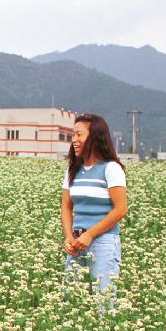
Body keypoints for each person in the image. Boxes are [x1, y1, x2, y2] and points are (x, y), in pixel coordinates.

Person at [61, 113, 127, 310]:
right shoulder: (73, 169)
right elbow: (66, 205)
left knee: (103, 304)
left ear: (95, 136)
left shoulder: (111, 169)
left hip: (103, 243)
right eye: (73, 135)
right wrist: (68, 237)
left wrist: (90, 235)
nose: (74, 140)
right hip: (76, 243)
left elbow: (121, 209)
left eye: (79, 135)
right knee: (71, 301)